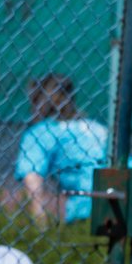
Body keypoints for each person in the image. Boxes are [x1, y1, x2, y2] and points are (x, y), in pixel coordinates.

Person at [15, 73, 109, 224]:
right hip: (121, 200)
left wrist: (39, 221)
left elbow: (32, 176)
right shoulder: (97, 129)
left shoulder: (41, 133)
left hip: (85, 210)